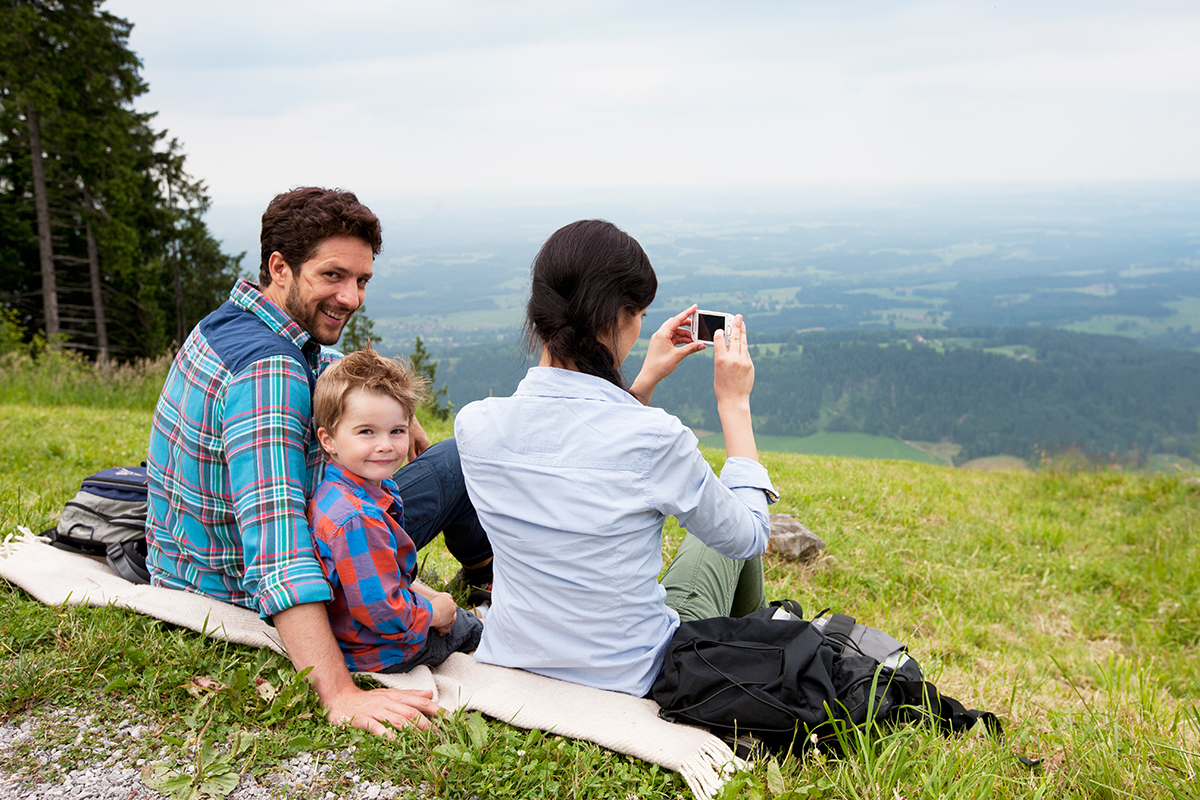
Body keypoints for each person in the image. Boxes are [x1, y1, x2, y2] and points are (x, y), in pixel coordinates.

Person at [146, 187, 492, 734]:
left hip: (183, 563)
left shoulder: (234, 323)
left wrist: (390, 404)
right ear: (280, 267)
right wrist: (339, 693)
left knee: (428, 458)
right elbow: (277, 545)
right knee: (463, 458)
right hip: (237, 584)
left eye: (361, 281)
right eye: (333, 276)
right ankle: (486, 584)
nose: (351, 297)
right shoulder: (270, 375)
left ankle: (479, 577)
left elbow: (320, 357)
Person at [454, 219, 777, 697]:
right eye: (639, 313)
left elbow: (579, 441)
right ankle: (761, 644)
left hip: (514, 654)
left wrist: (641, 383)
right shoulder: (656, 438)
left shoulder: (475, 425)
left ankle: (759, 637)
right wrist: (735, 404)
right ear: (616, 318)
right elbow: (749, 537)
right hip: (627, 673)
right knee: (729, 518)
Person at [309, 347, 483, 674]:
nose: (385, 445)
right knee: (468, 626)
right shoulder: (357, 518)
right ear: (328, 439)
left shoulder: (346, 491)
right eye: (366, 432)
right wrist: (433, 614)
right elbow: (382, 611)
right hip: (379, 650)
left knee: (452, 610)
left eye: (396, 431)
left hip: (367, 633)